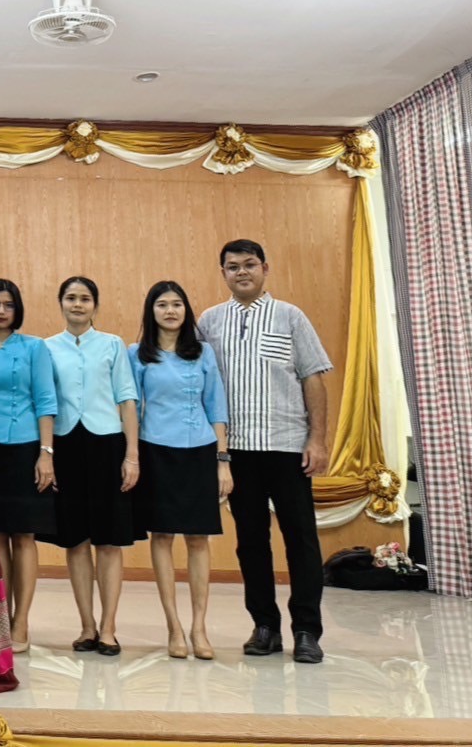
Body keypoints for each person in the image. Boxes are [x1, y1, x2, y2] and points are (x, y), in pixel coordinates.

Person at [198, 239, 332, 664]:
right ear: (223, 273)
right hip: (237, 452)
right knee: (251, 542)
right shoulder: (210, 321)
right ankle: (265, 626)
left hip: (288, 448)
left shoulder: (290, 316)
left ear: (265, 268)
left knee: (301, 541)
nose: (242, 272)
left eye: (250, 264)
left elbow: (313, 378)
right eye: (233, 266)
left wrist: (317, 440)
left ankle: (307, 630)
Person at [128, 281, 231, 660]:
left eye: (177, 304)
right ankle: (173, 627)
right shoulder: (136, 354)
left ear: (186, 310)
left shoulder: (202, 353)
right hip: (156, 450)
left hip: (200, 451)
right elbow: (131, 411)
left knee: (199, 539)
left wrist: (223, 460)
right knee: (162, 536)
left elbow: (216, 406)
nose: (170, 311)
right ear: (150, 311)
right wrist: (132, 457)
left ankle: (199, 627)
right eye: (162, 305)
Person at [41, 276, 139, 657]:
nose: (77, 304)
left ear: (95, 305)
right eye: (70, 298)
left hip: (107, 444)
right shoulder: (47, 348)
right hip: (66, 445)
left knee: (109, 540)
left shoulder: (113, 345)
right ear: (61, 303)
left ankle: (110, 627)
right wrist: (46, 452)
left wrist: (132, 456)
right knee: (76, 540)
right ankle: (86, 626)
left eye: (85, 299)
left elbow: (127, 400)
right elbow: (45, 403)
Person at [0, 279, 56, 653]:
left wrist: (46, 452)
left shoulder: (35, 348)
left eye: (8, 305)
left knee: (25, 535)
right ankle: (0, 617)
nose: (1, 311)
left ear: (18, 310)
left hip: (25, 447)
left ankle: (22, 623)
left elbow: (46, 399)